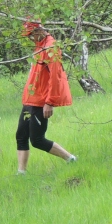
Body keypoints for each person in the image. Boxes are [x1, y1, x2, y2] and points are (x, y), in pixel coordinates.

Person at [16, 21, 76, 174]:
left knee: (37, 140)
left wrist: (50, 102)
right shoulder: (39, 46)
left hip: (41, 101)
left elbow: (56, 78)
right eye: (28, 35)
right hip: (30, 100)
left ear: (39, 30)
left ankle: (70, 159)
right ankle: (21, 173)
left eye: (31, 34)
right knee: (21, 135)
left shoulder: (51, 47)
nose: (30, 38)